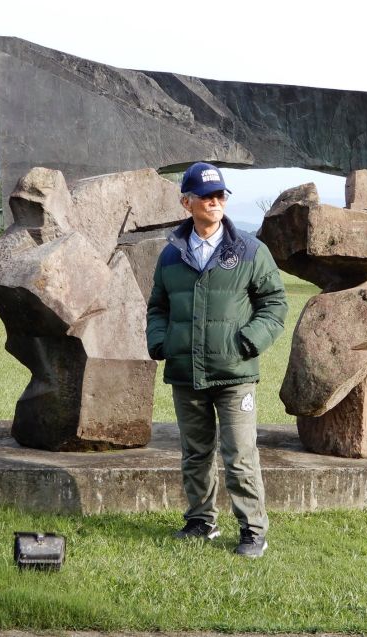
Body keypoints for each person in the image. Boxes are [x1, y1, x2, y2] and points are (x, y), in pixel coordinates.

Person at [146, 162, 287, 558]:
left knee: (240, 454)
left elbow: (274, 304)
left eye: (220, 194)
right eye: (206, 195)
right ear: (186, 202)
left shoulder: (250, 251)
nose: (215, 201)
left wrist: (248, 341)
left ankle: (252, 531)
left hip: (234, 373)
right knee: (195, 453)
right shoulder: (171, 255)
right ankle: (200, 522)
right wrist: (160, 342)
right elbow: (157, 306)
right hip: (185, 372)